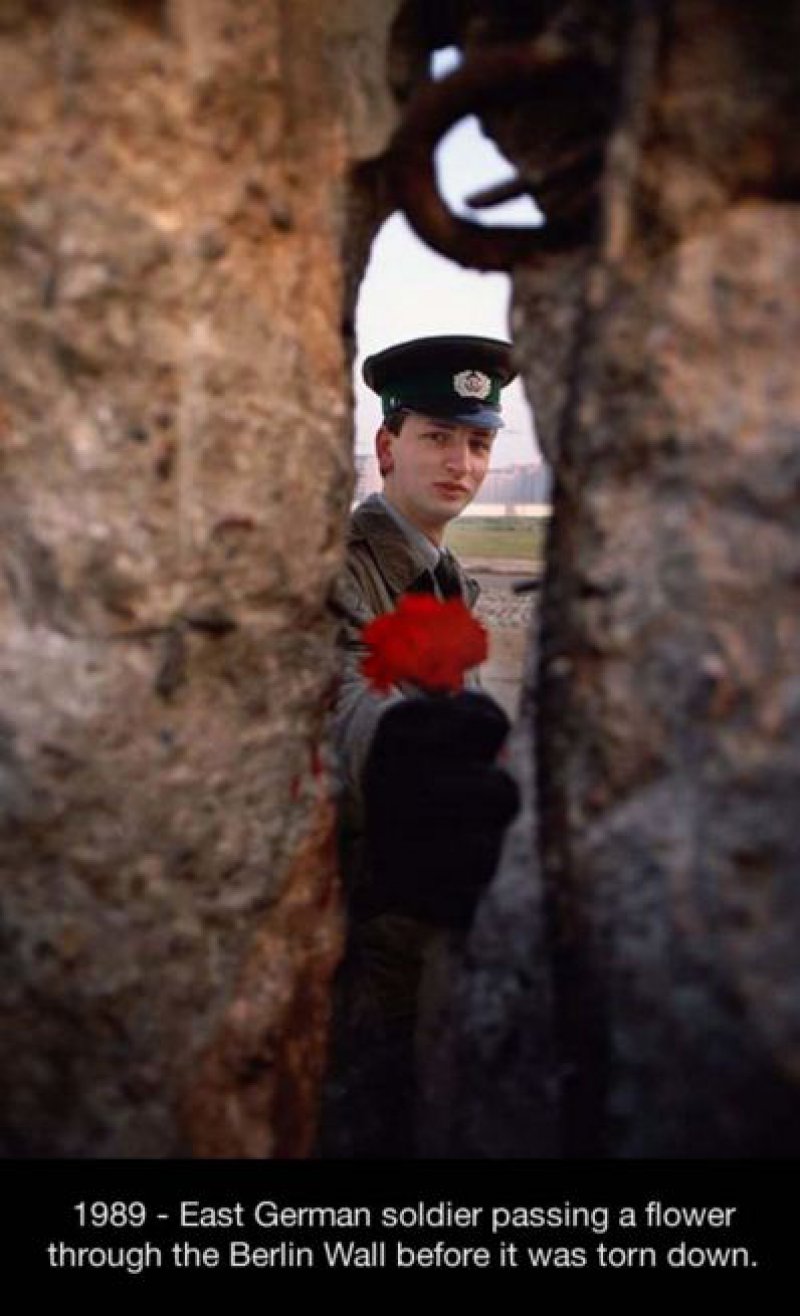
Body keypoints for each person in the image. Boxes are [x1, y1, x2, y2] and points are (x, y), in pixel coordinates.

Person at [319, 335, 521, 1156]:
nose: (462, 464)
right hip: (358, 961)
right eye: (438, 437)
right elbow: (332, 694)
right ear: (386, 445)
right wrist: (396, 749)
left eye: (478, 442)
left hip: (425, 959)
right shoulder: (338, 567)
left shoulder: (451, 582)